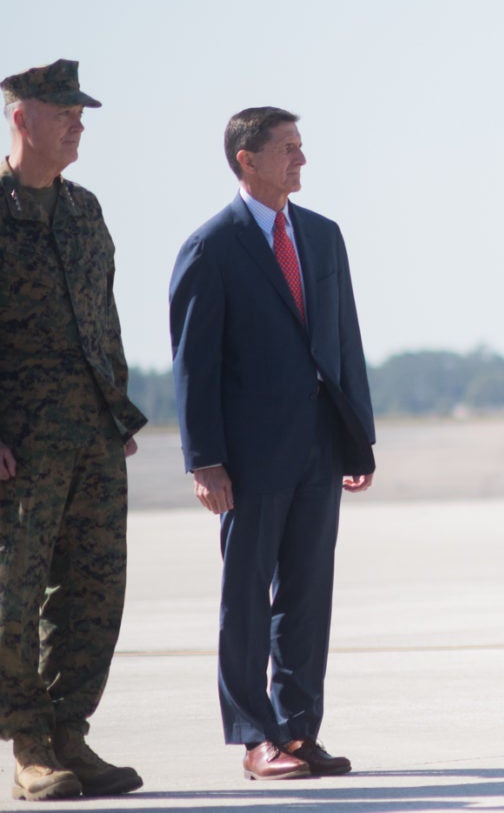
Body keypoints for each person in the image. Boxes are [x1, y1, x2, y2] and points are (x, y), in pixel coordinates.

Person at [168, 106, 377, 781]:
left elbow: (344, 342)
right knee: (247, 597)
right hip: (250, 458)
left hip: (320, 445)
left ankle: (297, 729)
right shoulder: (212, 247)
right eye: (288, 148)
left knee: (309, 593)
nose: (301, 160)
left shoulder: (322, 235)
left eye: (301, 146)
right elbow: (193, 365)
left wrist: (357, 439)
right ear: (246, 159)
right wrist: (204, 459)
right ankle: (255, 736)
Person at [0, 61, 148, 800]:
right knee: (12, 597)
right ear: (21, 117)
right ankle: (29, 746)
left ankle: (69, 734)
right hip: (18, 445)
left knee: (93, 591)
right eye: (63, 110)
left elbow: (104, 317)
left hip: (91, 434)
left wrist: (116, 409)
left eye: (81, 111)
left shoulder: (85, 211)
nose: (78, 121)